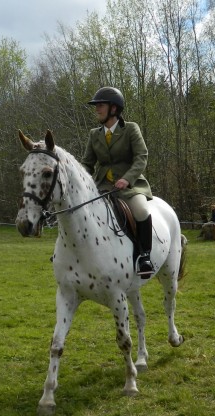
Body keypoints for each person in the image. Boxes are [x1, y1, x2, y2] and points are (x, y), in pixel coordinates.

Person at [81, 86, 155, 278]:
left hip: (129, 186)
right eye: (96, 106)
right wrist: (81, 182)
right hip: (102, 187)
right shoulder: (94, 134)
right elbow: (88, 164)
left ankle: (144, 256)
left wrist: (126, 179)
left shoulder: (130, 129)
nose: (97, 109)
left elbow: (141, 157)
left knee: (141, 210)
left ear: (114, 108)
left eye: (101, 105)